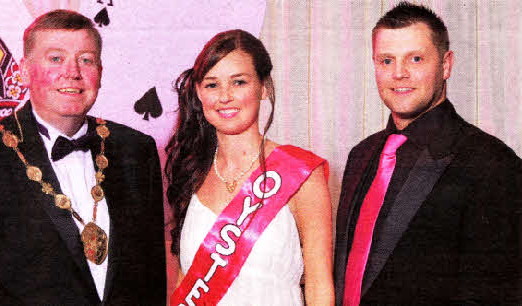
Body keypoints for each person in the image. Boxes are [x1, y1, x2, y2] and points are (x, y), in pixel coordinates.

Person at [0, 10, 166, 305]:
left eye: (86, 59)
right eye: (55, 58)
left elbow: (151, 283)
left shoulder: (136, 150)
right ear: (24, 71)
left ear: (100, 72)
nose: (72, 72)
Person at [334, 2, 522, 305]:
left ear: (446, 65)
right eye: (386, 61)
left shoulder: (492, 164)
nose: (399, 73)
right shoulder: (361, 156)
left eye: (416, 59)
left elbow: (496, 293)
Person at [166, 29, 334, 306]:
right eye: (212, 85)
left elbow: (319, 286)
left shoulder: (301, 174)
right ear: (198, 93)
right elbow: (185, 282)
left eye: (239, 82)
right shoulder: (192, 174)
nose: (225, 97)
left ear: (263, 86)